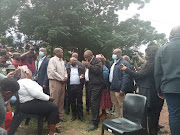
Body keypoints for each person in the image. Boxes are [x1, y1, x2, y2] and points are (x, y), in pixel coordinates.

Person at [121, 45, 160, 135]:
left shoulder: (152, 64)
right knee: (148, 114)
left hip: (149, 92)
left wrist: (127, 70)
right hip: (147, 90)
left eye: (146, 52)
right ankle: (147, 131)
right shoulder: (151, 63)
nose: (145, 54)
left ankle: (152, 132)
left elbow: (139, 75)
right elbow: (140, 72)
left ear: (150, 53)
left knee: (151, 115)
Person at [154, 25, 180, 135]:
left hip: (170, 87)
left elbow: (157, 72)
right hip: (170, 87)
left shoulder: (163, 49)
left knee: (174, 114)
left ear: (171, 35)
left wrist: (158, 89)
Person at [18, 70, 60, 135]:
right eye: (30, 71)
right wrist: (48, 98)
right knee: (53, 107)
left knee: (48, 105)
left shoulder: (21, 81)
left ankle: (52, 125)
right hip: (28, 104)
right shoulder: (26, 82)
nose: (32, 73)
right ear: (26, 73)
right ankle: (51, 132)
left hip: (26, 104)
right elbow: (35, 94)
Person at [82, 50, 104, 131]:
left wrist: (87, 65)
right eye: (85, 57)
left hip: (97, 85)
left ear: (91, 55)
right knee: (92, 102)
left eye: (87, 57)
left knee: (94, 102)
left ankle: (94, 123)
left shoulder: (97, 61)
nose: (86, 58)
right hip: (90, 84)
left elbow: (97, 70)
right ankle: (94, 119)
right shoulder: (90, 61)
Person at [109, 48, 131, 118]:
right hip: (112, 87)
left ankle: (123, 119)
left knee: (121, 104)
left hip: (119, 88)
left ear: (118, 54)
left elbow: (125, 77)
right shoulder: (113, 63)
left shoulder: (124, 63)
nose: (113, 55)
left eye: (114, 54)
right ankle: (117, 118)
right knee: (115, 104)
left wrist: (122, 89)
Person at [47, 48, 68, 122]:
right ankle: (54, 116)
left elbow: (65, 70)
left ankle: (60, 115)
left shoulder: (62, 61)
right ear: (56, 52)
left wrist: (65, 77)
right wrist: (61, 78)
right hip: (55, 81)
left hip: (62, 82)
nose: (62, 53)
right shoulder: (52, 60)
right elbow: (53, 72)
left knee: (61, 99)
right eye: (61, 52)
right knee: (55, 99)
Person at [66, 57, 85, 121]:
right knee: (72, 101)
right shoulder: (68, 68)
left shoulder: (80, 68)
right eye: (71, 61)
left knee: (79, 101)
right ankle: (74, 114)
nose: (73, 62)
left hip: (78, 86)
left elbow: (83, 76)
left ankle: (80, 115)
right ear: (70, 62)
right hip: (70, 86)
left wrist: (82, 79)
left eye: (74, 61)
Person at [96, 55, 112, 119]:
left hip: (103, 88)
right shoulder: (101, 68)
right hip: (101, 87)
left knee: (103, 103)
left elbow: (104, 80)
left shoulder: (104, 69)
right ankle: (103, 113)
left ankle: (104, 114)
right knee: (101, 102)